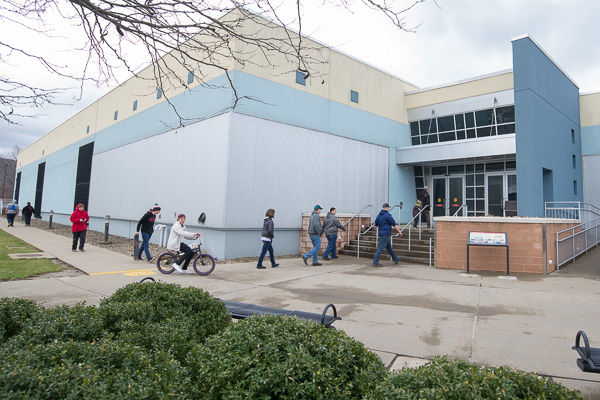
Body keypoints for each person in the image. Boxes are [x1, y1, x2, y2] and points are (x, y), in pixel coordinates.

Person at [372, 203, 402, 267]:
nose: (388, 209)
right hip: (386, 234)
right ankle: (375, 262)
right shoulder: (388, 215)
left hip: (381, 233)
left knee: (389, 247)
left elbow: (376, 224)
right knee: (380, 247)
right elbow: (394, 224)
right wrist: (399, 231)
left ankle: (395, 258)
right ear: (387, 208)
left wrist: (381, 229)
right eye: (388, 208)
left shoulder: (378, 215)